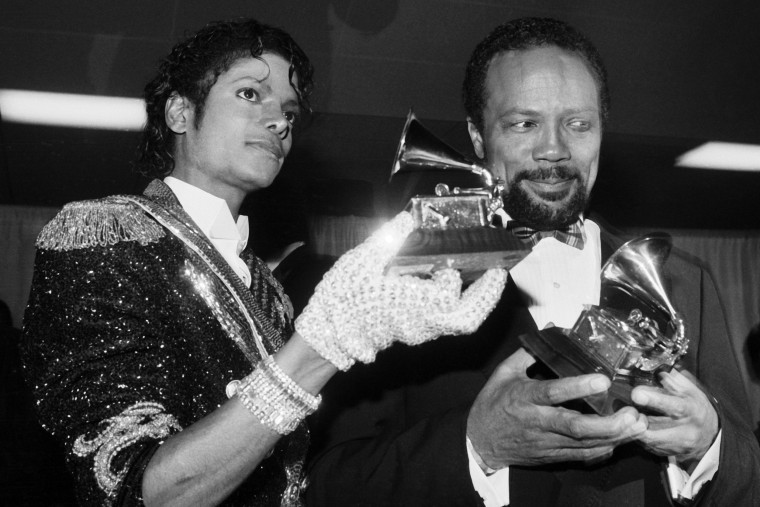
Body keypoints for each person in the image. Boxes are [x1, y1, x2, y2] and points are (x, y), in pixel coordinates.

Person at [20, 19, 507, 506]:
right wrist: (323, 344)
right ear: (179, 112)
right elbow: (136, 490)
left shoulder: (268, 288)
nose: (279, 121)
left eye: (289, 112)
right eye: (251, 94)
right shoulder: (106, 235)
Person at [305, 17, 760, 506]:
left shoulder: (680, 276)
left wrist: (708, 444)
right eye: (524, 123)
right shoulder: (404, 278)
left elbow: (750, 474)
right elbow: (327, 483)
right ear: (479, 139)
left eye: (578, 124)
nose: (554, 149)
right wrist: (477, 446)